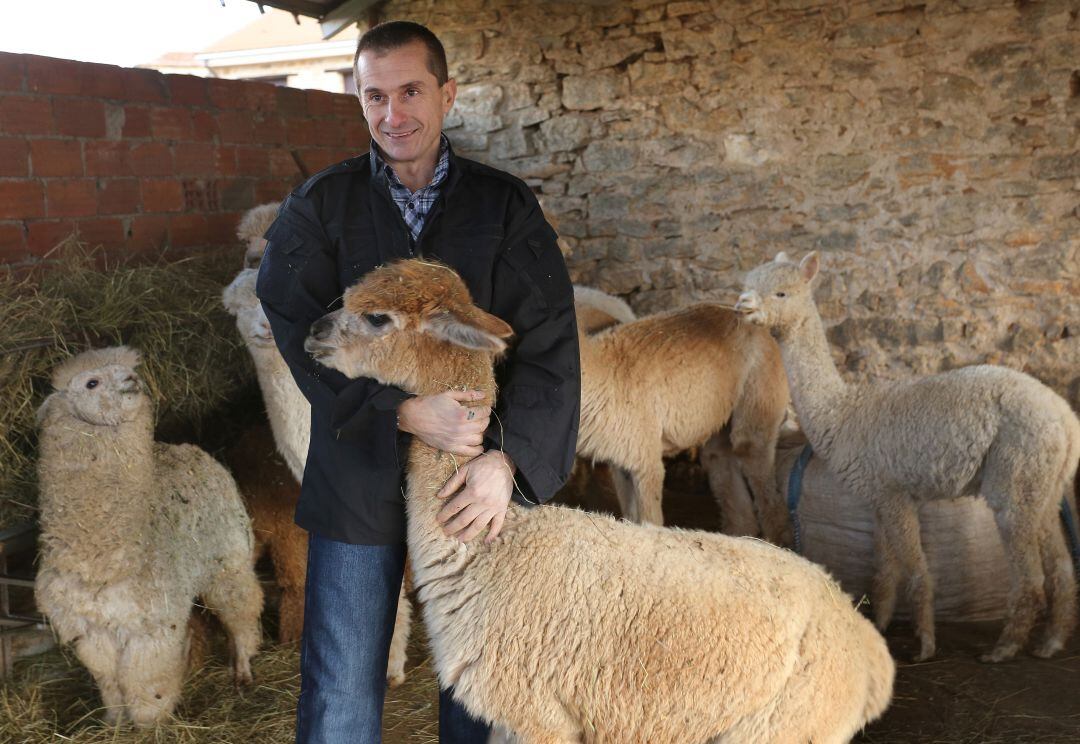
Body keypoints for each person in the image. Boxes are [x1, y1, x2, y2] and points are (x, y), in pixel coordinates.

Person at [255, 20, 580, 744]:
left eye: (410, 91)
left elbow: (552, 343)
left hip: (469, 479)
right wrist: (395, 411)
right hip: (358, 465)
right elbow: (295, 319)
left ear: (447, 93)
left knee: (476, 680)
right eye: (374, 96)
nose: (392, 115)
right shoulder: (323, 205)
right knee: (341, 683)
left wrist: (510, 459)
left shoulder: (503, 207)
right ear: (358, 102)